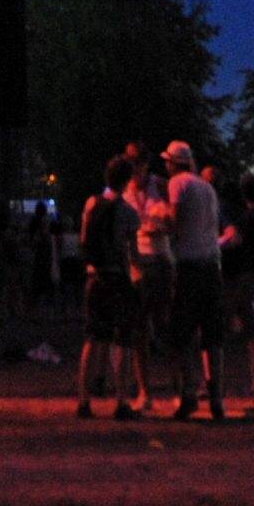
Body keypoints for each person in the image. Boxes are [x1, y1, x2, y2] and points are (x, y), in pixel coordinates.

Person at [160, 140, 230, 421]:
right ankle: (217, 399)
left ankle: (189, 393)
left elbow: (175, 223)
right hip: (212, 265)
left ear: (173, 163)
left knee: (182, 335)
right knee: (213, 337)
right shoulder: (207, 187)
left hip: (189, 267)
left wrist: (158, 221)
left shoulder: (178, 184)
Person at [77, 155, 148, 418]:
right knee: (123, 340)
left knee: (93, 338)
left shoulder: (91, 203)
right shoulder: (128, 212)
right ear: (127, 180)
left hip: (95, 278)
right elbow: (133, 253)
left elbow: (84, 240)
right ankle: (121, 401)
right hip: (118, 279)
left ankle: (84, 401)